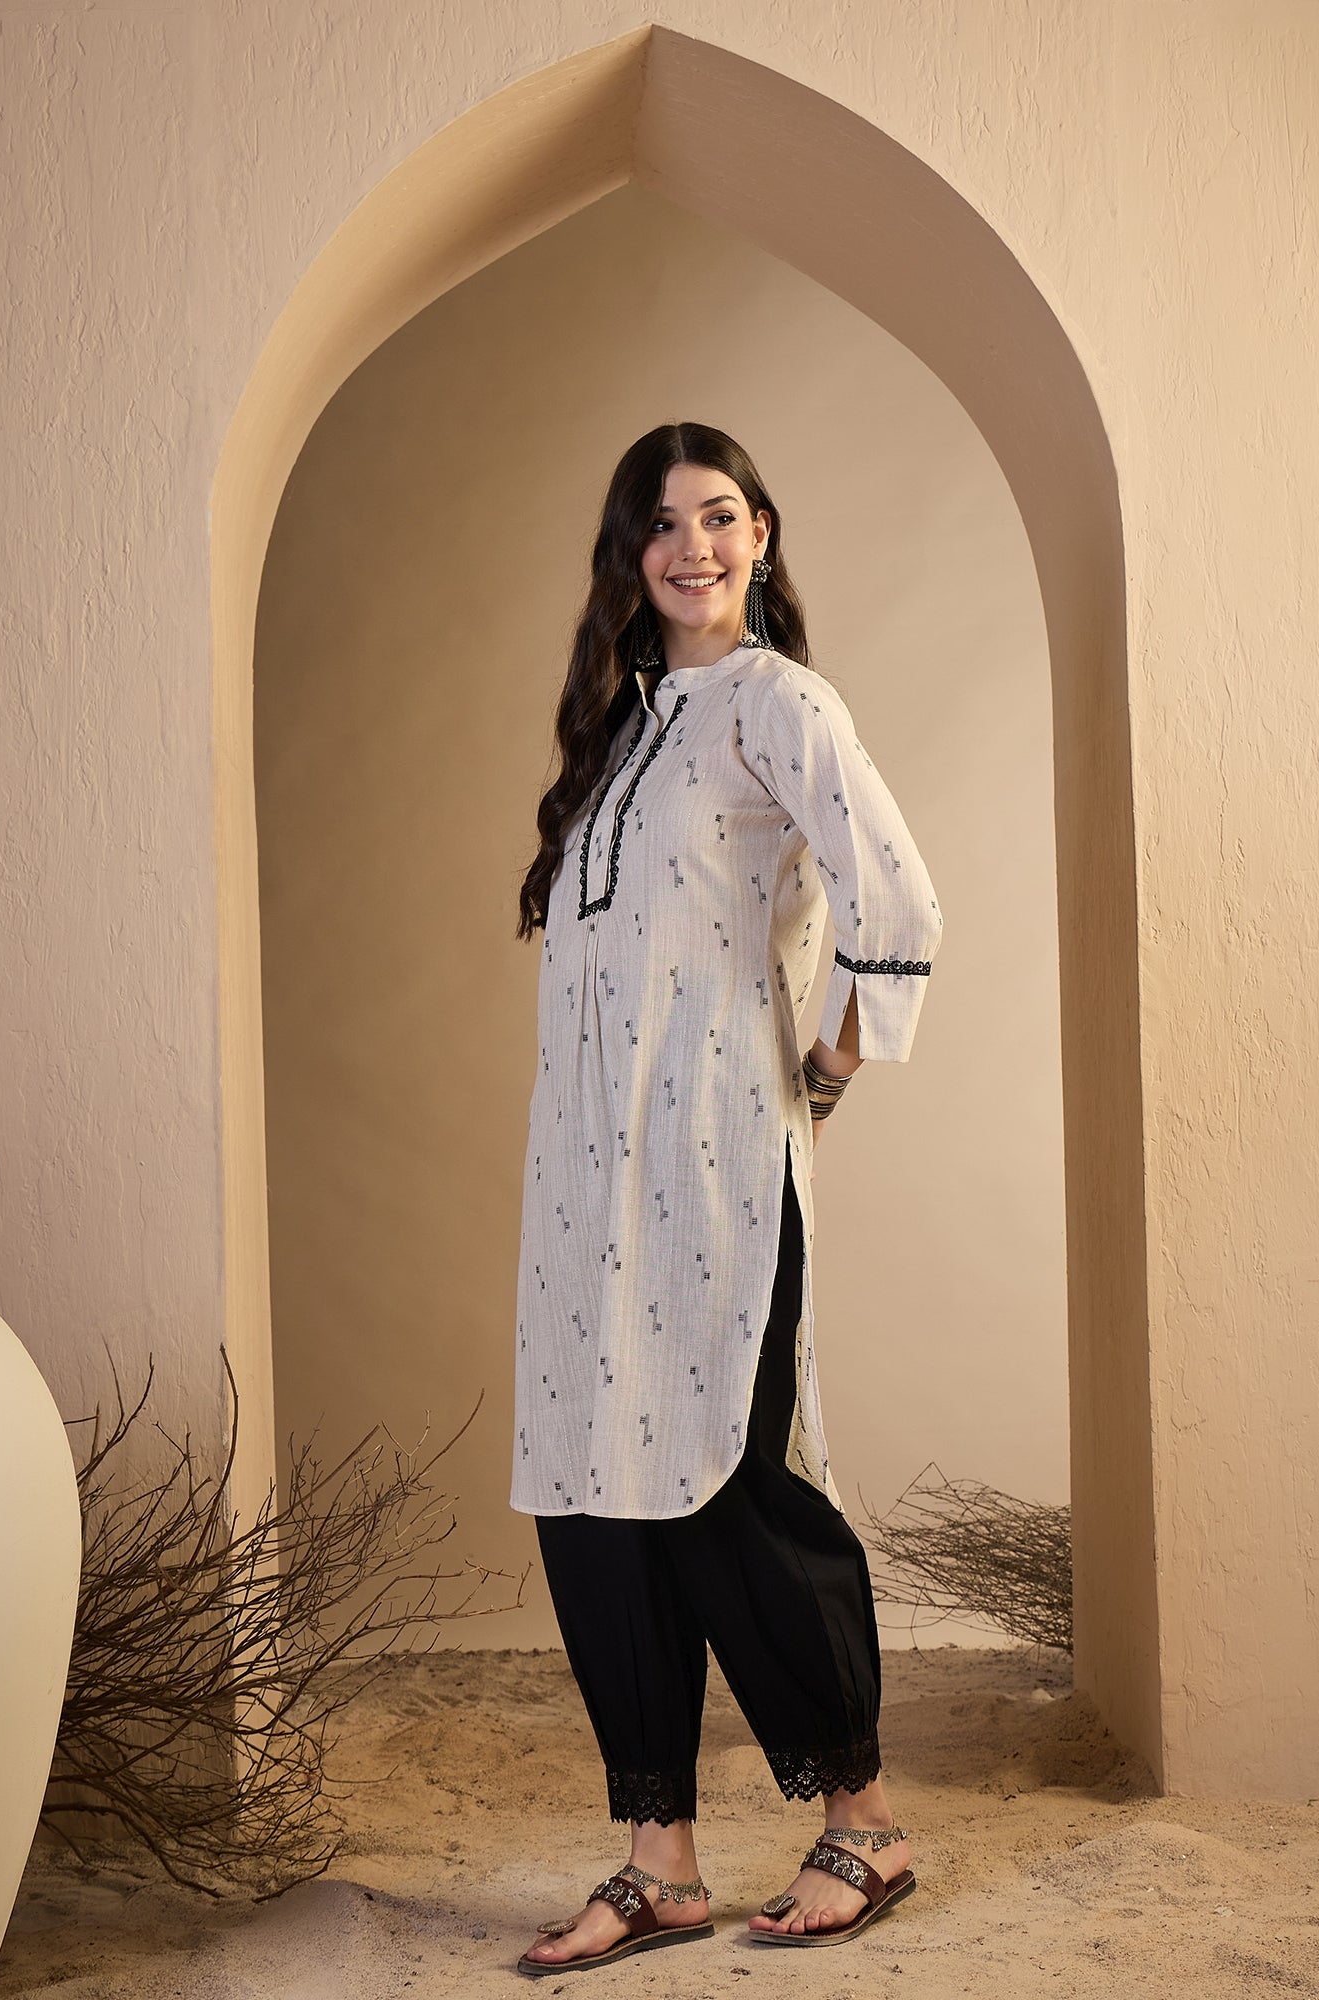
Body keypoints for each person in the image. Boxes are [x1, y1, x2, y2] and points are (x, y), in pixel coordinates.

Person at [510, 422, 943, 1975]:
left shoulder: (779, 702)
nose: (691, 546)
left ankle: (865, 1824)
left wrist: (824, 1073)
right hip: (585, 1186)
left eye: (718, 515)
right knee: (595, 1499)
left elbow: (898, 897)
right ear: (629, 555)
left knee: (731, 1487)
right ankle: (660, 1862)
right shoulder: (623, 729)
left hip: (716, 1171)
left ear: (760, 534)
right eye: (661, 523)